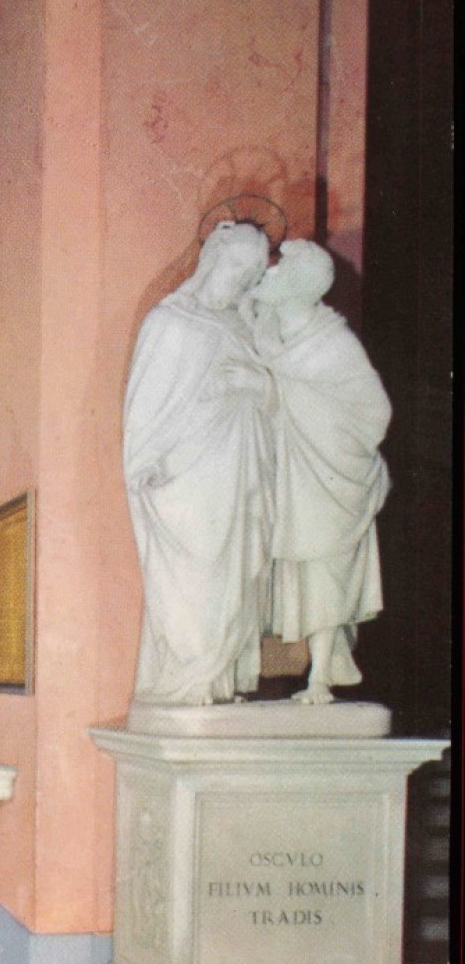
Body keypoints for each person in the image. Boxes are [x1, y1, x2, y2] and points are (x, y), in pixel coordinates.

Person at [124, 220, 274, 706]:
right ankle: (188, 675)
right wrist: (148, 465)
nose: (241, 282)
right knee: (192, 578)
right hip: (183, 482)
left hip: (239, 473)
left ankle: (217, 678)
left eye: (252, 274)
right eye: (235, 268)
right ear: (212, 260)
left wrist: (252, 387)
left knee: (233, 577)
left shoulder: (249, 330)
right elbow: (144, 414)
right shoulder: (167, 323)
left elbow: (280, 399)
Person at [251, 239, 391, 704]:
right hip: (288, 474)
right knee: (293, 575)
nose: (268, 273)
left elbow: (375, 411)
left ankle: (321, 679)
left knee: (325, 575)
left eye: (280, 268)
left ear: (300, 285)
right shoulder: (265, 330)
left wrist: (307, 409)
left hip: (332, 476)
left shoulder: (335, 343)